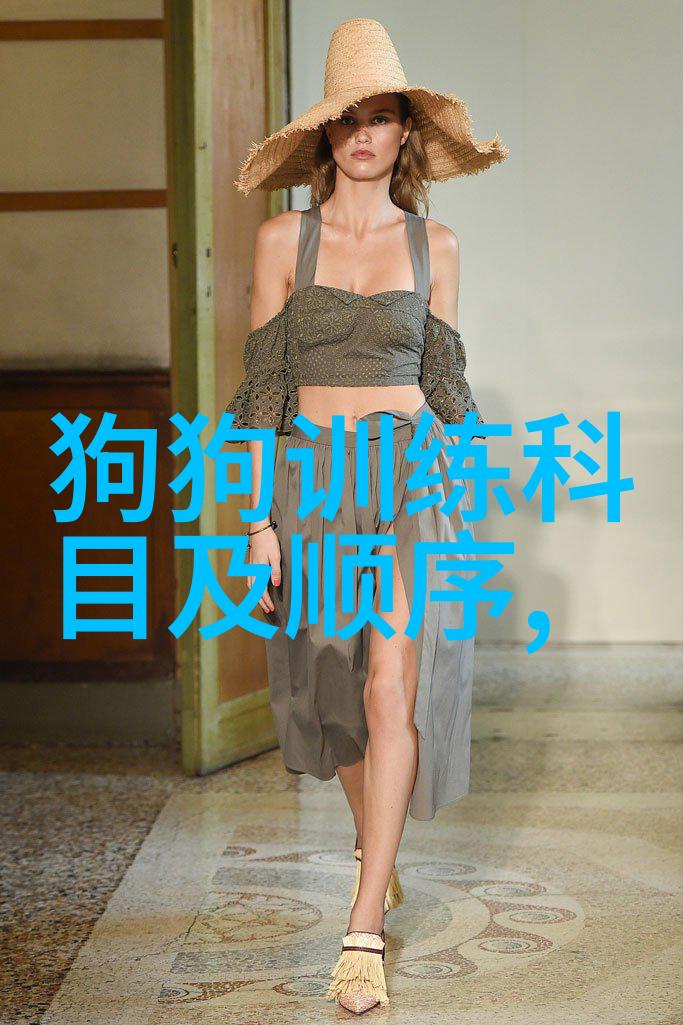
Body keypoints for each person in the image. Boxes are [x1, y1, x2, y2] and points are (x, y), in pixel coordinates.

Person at [225, 17, 508, 1014]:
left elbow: (445, 383)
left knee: (391, 685)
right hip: (307, 484)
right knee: (332, 690)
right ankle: (372, 848)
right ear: (324, 135)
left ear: (405, 134)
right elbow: (261, 395)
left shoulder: (435, 245)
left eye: (380, 117)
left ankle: (362, 927)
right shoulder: (281, 240)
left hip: (406, 480)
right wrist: (256, 521)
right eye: (346, 119)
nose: (362, 135)